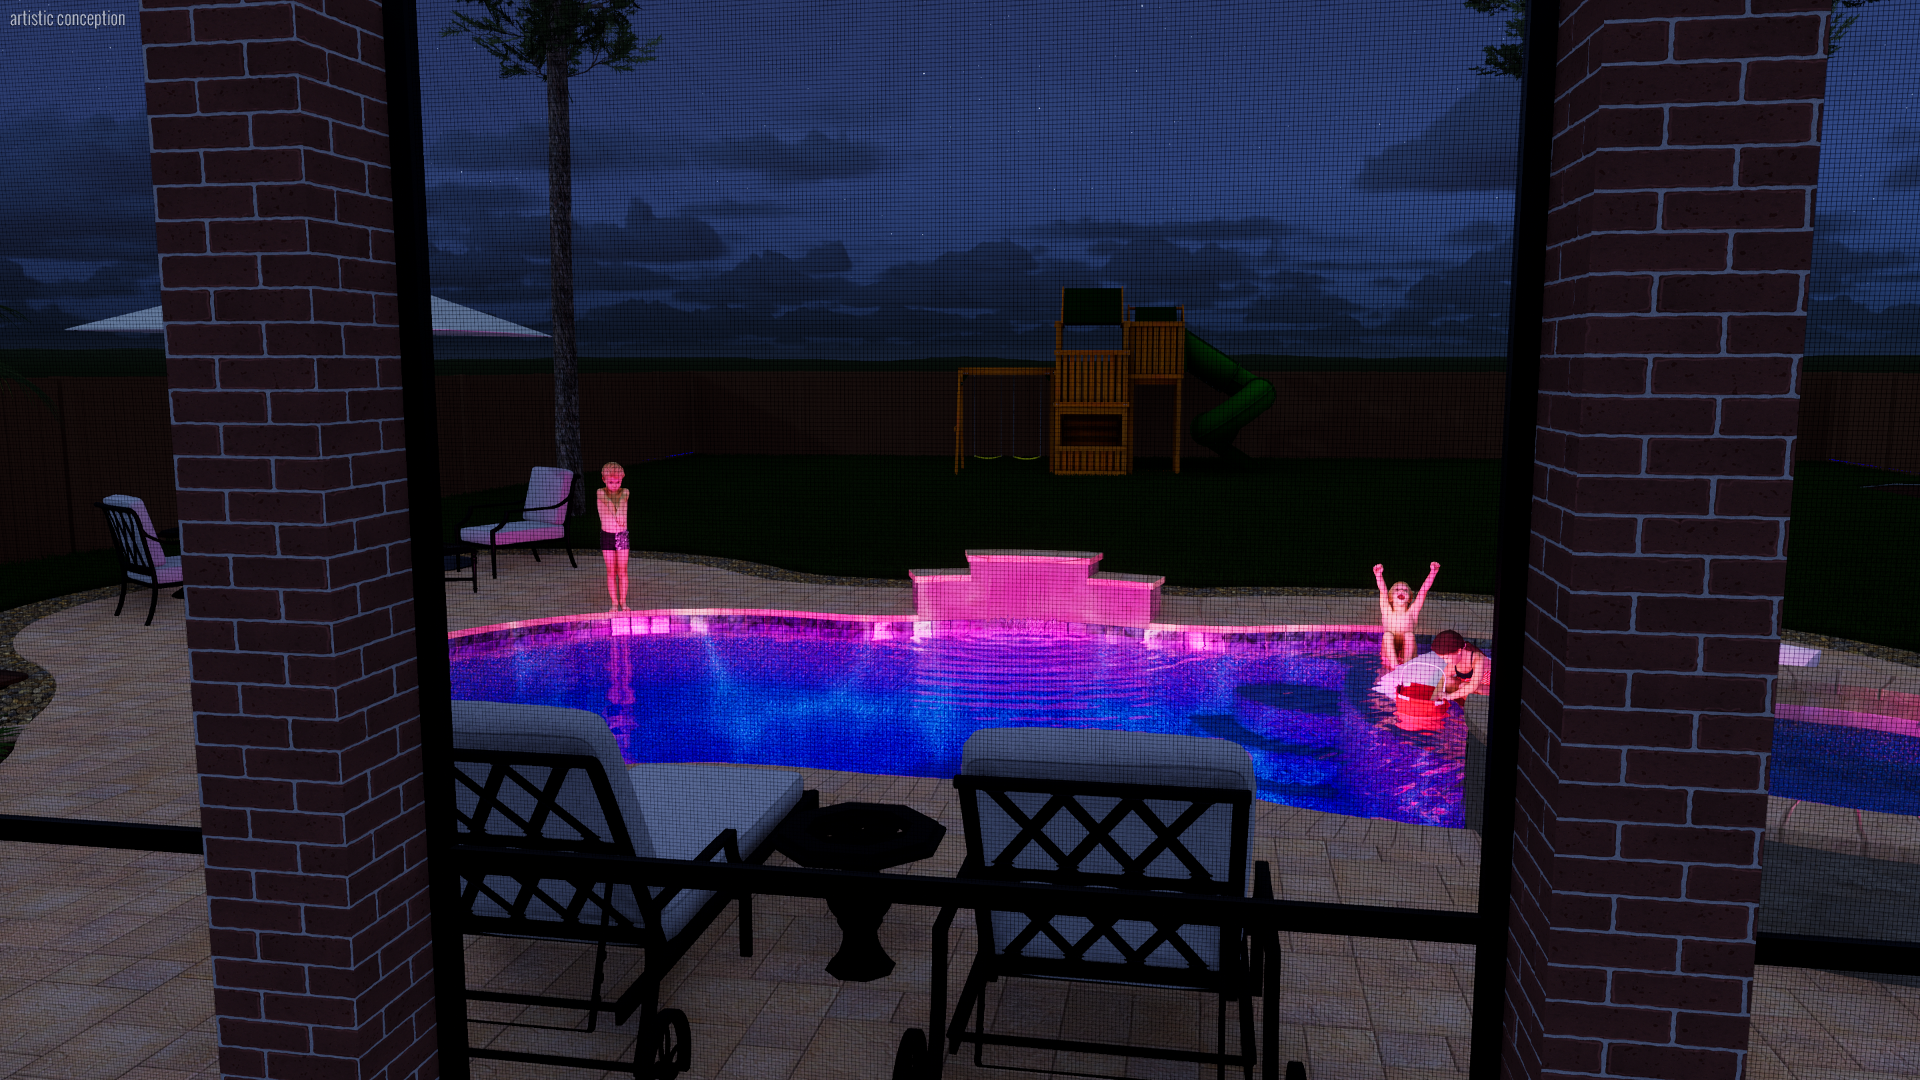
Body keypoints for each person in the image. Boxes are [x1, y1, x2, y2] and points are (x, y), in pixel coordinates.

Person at [1374, 561, 1441, 669]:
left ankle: (1406, 667)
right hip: (1389, 655)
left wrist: (1432, 573)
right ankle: (1395, 666)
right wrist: (1378, 576)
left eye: (1405, 590)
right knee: (1387, 635)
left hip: (1408, 654)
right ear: (1390, 598)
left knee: (1409, 635)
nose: (1401, 590)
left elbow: (1423, 591)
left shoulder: (1413, 611)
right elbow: (1383, 590)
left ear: (1410, 598)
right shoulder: (1386, 610)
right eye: (1397, 589)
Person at [597, 461, 631, 611]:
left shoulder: (625, 491)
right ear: (604, 480)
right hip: (607, 536)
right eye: (611, 482)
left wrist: (619, 510)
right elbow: (608, 503)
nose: (615, 485)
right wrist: (616, 512)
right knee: (611, 571)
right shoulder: (600, 492)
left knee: (622, 570)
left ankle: (623, 602)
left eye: (618, 482)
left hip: (622, 536)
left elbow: (623, 499)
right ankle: (614, 603)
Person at [1432, 629, 1486, 702]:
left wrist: (1449, 696)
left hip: (1487, 690)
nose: (1445, 661)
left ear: (1458, 651)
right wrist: (1431, 702)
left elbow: (1473, 686)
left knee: (1464, 687)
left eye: (1446, 658)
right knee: (1448, 682)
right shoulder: (1452, 666)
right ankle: (1462, 708)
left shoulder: (1478, 658)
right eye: (1443, 658)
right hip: (1468, 690)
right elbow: (1441, 684)